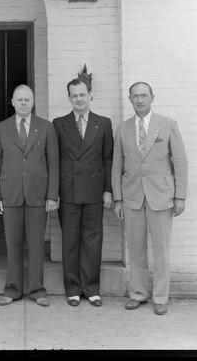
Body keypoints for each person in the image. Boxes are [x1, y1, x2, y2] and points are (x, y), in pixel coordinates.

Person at [111, 81, 188, 315]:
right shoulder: (123, 129)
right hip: (132, 196)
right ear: (130, 99)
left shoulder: (168, 124)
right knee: (135, 249)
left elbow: (180, 162)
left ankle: (161, 297)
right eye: (135, 96)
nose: (140, 100)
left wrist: (180, 196)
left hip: (161, 197)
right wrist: (118, 198)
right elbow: (117, 165)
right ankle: (138, 293)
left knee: (161, 249)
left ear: (152, 97)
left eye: (144, 95)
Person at [0, 84, 59, 307]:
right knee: (12, 244)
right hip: (9, 194)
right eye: (19, 100)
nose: (23, 103)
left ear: (33, 102)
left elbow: (53, 164)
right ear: (12, 102)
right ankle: (12, 290)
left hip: (38, 195)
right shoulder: (0, 129)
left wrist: (52, 195)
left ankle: (37, 290)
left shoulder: (46, 127)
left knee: (37, 245)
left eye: (27, 100)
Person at [53, 66, 114, 308]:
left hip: (94, 191)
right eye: (74, 95)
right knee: (69, 240)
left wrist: (108, 190)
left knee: (92, 240)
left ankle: (92, 288)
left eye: (82, 94)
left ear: (91, 96)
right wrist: (54, 193)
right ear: (69, 98)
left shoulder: (104, 123)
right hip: (68, 192)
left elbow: (108, 158)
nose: (79, 99)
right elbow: (54, 160)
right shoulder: (59, 124)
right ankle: (73, 289)